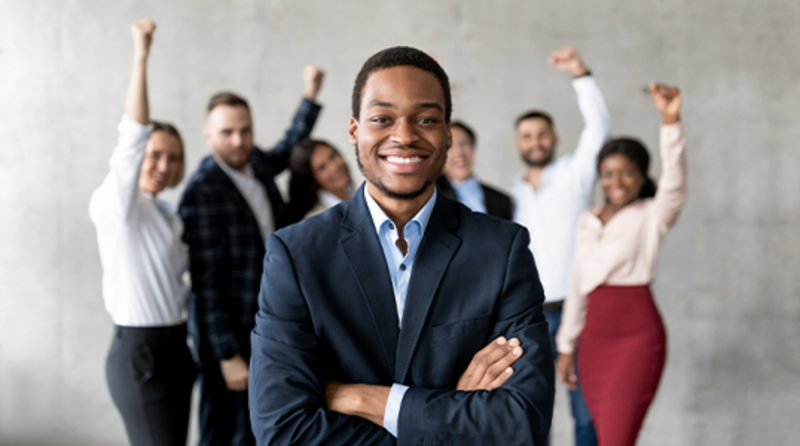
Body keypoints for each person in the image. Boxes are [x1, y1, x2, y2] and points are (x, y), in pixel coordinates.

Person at [249, 46, 554, 445]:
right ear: (355, 130)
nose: (405, 135)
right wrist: (449, 413)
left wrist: (362, 398)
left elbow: (522, 422)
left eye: (426, 119)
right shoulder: (296, 255)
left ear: (448, 133)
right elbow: (283, 429)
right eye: (382, 118)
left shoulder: (502, 250)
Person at [178, 66, 325, 446]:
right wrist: (226, 354)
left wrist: (310, 96)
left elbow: (289, 146)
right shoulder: (202, 191)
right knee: (221, 432)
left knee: (254, 429)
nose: (238, 140)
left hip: (263, 318)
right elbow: (204, 283)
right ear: (208, 135)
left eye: (245, 130)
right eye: (227, 132)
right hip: (227, 334)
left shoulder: (255, 163)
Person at [556, 84, 687, 446]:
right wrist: (567, 346)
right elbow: (578, 282)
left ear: (643, 177)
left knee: (617, 438)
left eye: (627, 173)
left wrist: (670, 120)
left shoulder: (652, 215)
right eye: (608, 174)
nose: (616, 182)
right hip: (593, 338)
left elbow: (675, 183)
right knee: (599, 434)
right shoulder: (588, 219)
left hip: (635, 335)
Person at [89, 18, 195, 446]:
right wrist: (141, 55)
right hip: (141, 354)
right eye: (155, 155)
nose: (163, 165)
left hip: (176, 347)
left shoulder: (169, 215)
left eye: (172, 158)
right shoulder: (117, 206)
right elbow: (132, 137)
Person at [510, 46, 610, 446]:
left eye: (542, 134)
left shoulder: (574, 174)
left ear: (554, 138)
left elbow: (599, 129)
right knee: (533, 416)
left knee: (585, 413)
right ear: (518, 142)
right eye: (528, 135)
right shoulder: (509, 194)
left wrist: (580, 74)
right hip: (527, 317)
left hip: (576, 311)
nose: (536, 142)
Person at [436, 120, 513, 219]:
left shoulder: (501, 201)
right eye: (448, 146)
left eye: (464, 143)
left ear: (473, 148)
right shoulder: (428, 197)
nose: (459, 152)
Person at [287, 138, 353, 222]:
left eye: (332, 156)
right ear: (312, 179)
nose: (334, 167)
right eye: (322, 168)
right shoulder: (316, 221)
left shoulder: (359, 196)